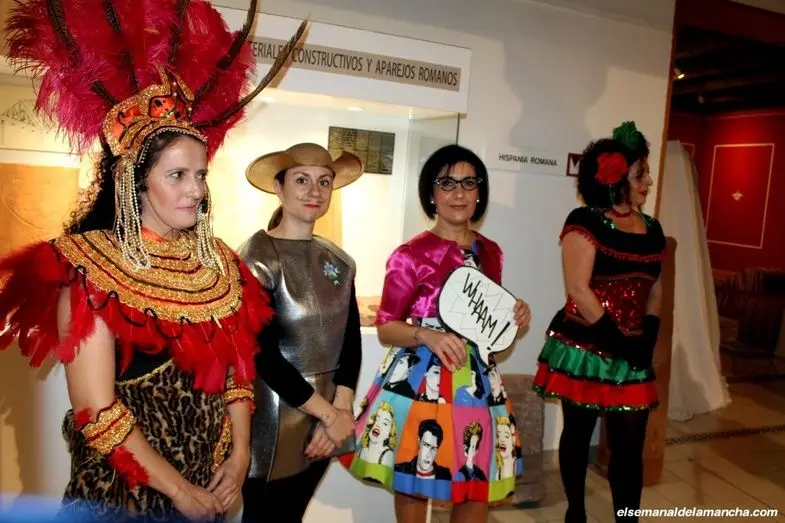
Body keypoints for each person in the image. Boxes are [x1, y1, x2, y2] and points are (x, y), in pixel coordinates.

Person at [0, 2, 306, 521]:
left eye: (201, 175)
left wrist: (239, 457)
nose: (196, 191)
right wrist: (179, 492)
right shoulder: (92, 271)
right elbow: (96, 410)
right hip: (121, 498)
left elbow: (237, 373)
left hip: (209, 491)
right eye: (177, 176)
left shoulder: (219, 266)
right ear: (134, 181)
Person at [340, 144, 532, 523]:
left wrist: (513, 319)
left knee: (475, 474)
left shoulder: (491, 252)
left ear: (480, 192)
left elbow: (488, 327)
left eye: (468, 183)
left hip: (477, 382)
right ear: (431, 193)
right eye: (447, 183)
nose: (458, 193)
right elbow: (387, 327)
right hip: (420, 379)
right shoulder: (409, 255)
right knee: (415, 477)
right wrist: (426, 336)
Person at [532, 121, 665, 523]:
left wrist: (648, 334)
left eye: (646, 174)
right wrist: (616, 339)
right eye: (641, 174)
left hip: (632, 350)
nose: (648, 182)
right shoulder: (585, 221)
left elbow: (656, 288)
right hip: (586, 346)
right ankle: (576, 512)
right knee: (578, 432)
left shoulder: (653, 228)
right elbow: (578, 288)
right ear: (615, 178)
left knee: (630, 445)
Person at [237, 143, 364, 523]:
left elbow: (350, 340)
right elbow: (262, 355)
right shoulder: (255, 258)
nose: (315, 191)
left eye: (324, 182)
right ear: (279, 188)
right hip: (273, 417)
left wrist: (340, 410)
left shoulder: (338, 260)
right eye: (302, 180)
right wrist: (329, 414)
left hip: (325, 420)